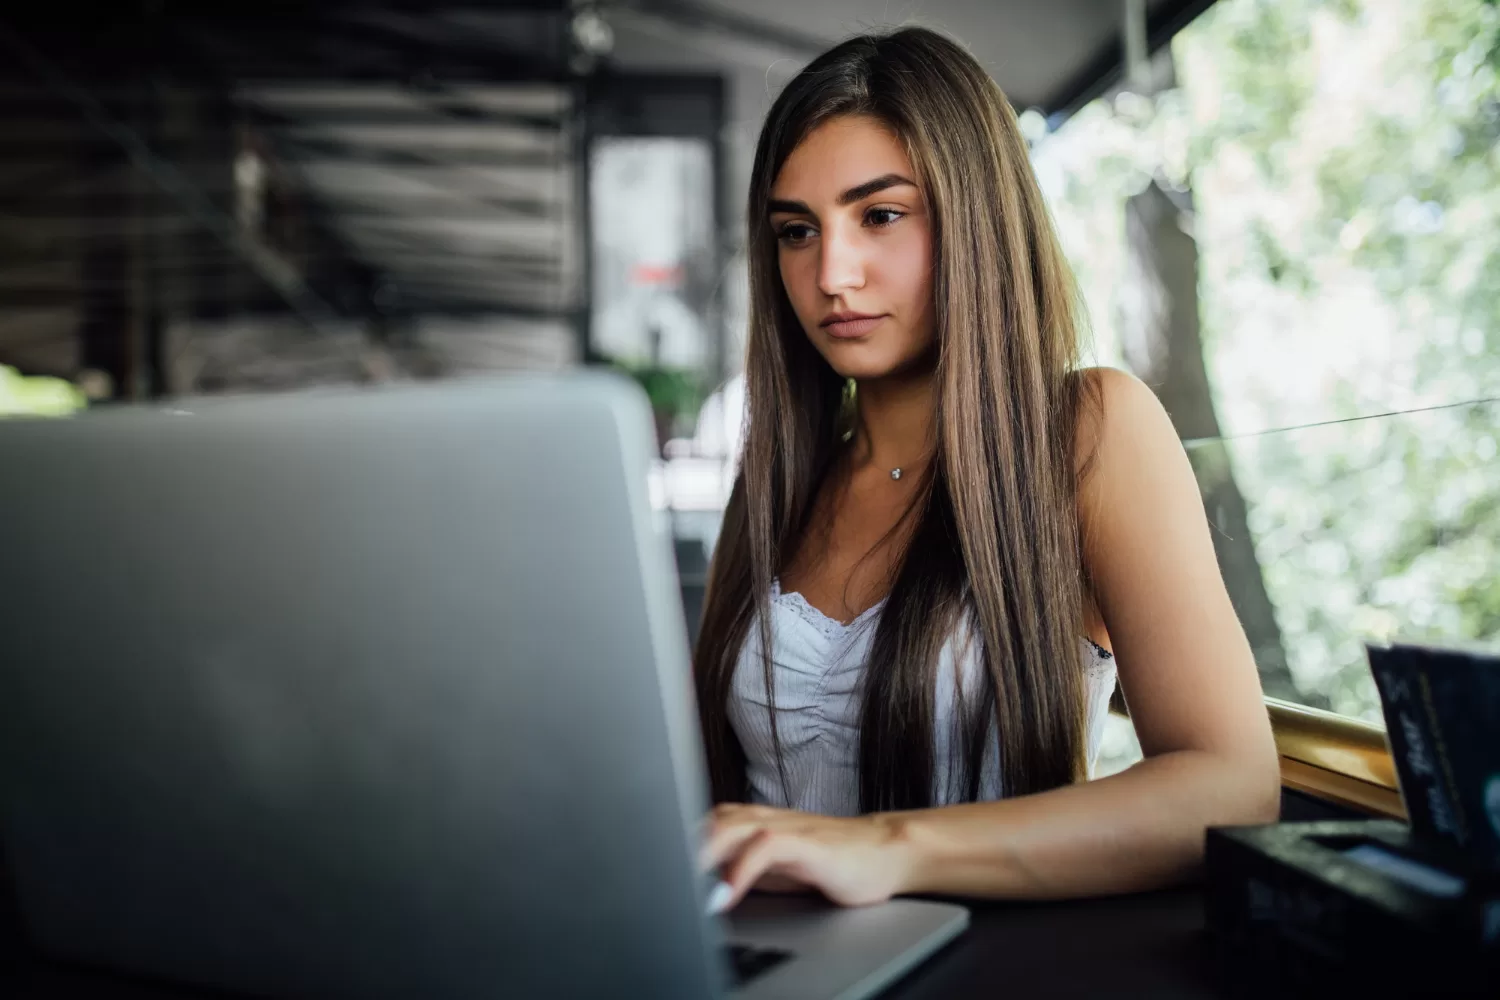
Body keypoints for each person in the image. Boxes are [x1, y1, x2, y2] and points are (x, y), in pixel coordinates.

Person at [694, 26, 1280, 910]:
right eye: (796, 231)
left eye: (880, 215)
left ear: (975, 216)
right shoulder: (775, 481)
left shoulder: (1089, 432)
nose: (831, 273)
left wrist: (887, 848)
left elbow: (1231, 785)